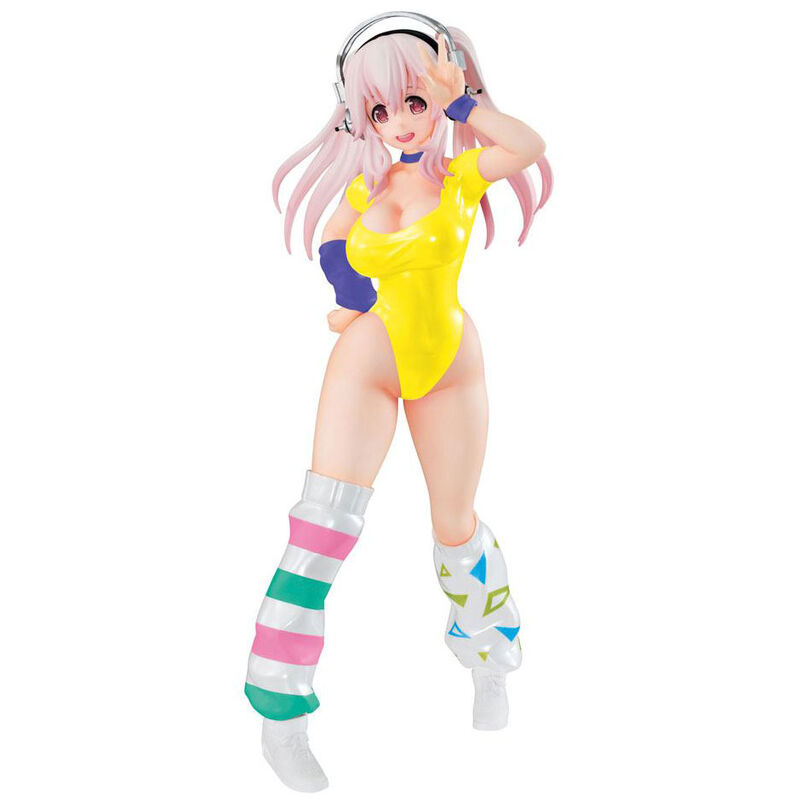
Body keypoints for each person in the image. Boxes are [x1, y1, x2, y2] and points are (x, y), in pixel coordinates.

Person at [245, 21, 552, 792]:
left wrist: (464, 104)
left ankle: (490, 661)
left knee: (455, 524)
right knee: (322, 528)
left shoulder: (463, 173)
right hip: (368, 363)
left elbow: (529, 146)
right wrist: (351, 299)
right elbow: (331, 243)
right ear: (360, 115)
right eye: (381, 109)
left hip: (450, 365)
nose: (400, 122)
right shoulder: (364, 189)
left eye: (414, 101)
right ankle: (280, 717)